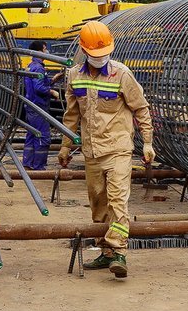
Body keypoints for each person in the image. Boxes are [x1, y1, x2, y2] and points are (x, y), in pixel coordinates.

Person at [58, 21, 154, 278]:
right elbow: (71, 115)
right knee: (99, 206)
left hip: (118, 149)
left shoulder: (121, 74)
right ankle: (106, 253)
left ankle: (119, 251)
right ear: (84, 50)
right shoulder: (74, 76)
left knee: (118, 201)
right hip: (92, 153)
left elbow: (141, 108)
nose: (101, 58)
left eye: (105, 53)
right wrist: (66, 147)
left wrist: (147, 141)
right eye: (96, 54)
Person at [22, 40, 59, 170]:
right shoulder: (38, 67)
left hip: (31, 105)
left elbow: (38, 83)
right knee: (43, 136)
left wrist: (53, 80)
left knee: (32, 134)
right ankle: (38, 166)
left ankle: (28, 163)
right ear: (39, 51)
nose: (46, 52)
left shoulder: (31, 66)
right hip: (38, 107)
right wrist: (52, 91)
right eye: (44, 49)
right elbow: (38, 87)